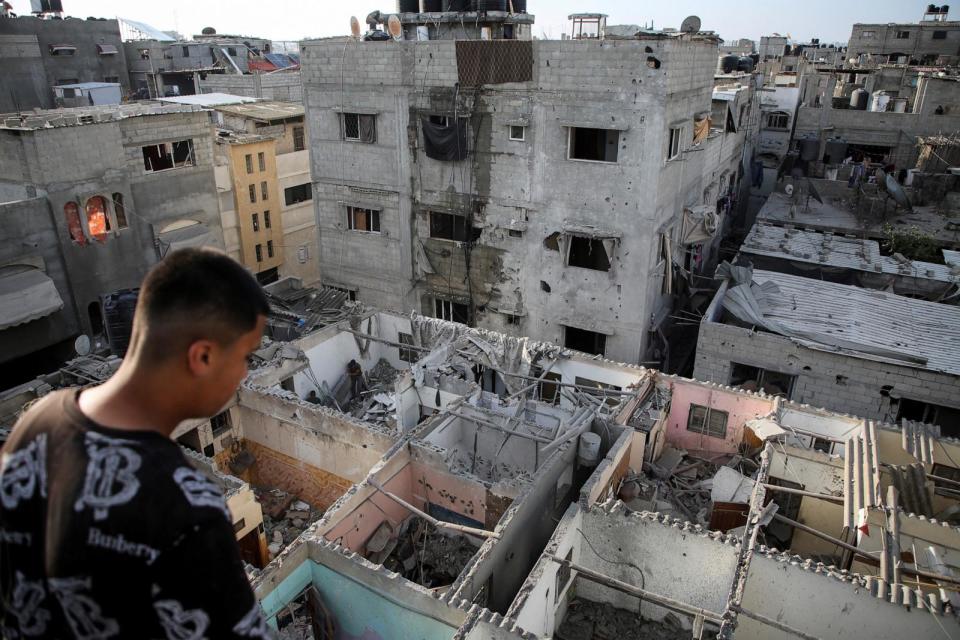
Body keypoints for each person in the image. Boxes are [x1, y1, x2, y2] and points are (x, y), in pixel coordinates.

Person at [0, 248, 273, 639]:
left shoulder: (38, 421)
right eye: (246, 356)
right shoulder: (185, 506)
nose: (246, 374)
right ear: (203, 356)